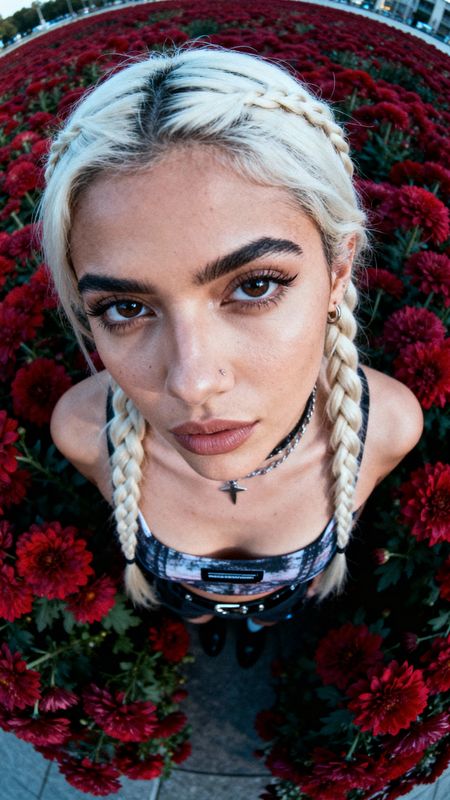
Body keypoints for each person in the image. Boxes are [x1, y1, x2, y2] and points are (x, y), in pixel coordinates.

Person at [43, 45, 423, 668]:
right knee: (199, 615)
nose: (192, 383)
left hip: (286, 602)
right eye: (126, 308)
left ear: (338, 270)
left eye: (254, 285)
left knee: (262, 622)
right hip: (182, 600)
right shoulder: (84, 433)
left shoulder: (389, 425)